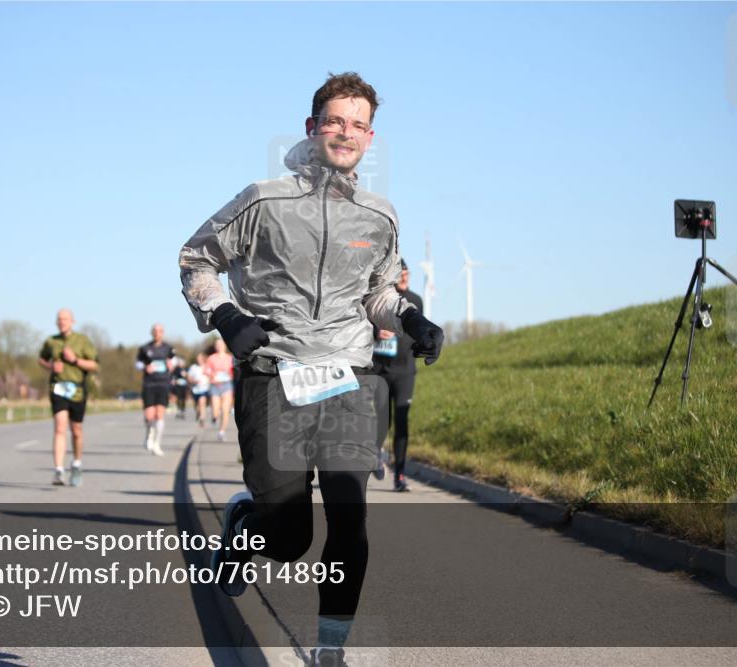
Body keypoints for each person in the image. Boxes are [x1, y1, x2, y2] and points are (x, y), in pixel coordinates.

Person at [179, 72, 443, 667]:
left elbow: (377, 293)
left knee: (350, 518)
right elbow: (197, 258)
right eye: (335, 121)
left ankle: (331, 648)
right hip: (275, 374)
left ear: (370, 138)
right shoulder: (263, 200)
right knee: (289, 537)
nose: (346, 133)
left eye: (359, 125)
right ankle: (248, 522)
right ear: (312, 127)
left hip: (350, 377)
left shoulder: (379, 216)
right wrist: (224, 314)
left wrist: (411, 318)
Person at [372, 259, 424, 491]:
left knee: (402, 422)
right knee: (383, 420)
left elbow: (418, 331)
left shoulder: (416, 301)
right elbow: (365, 325)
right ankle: (375, 455)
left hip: (405, 371)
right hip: (380, 371)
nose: (405, 277)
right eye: (401, 274)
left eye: (407, 273)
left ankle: (400, 476)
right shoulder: (381, 300)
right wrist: (376, 332)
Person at [37, 308, 99, 487]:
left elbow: (94, 365)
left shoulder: (82, 341)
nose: (62, 322)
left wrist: (75, 360)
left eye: (65, 319)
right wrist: (50, 366)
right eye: (59, 319)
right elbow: (41, 359)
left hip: (77, 390)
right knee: (60, 427)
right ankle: (58, 470)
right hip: (58, 388)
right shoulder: (51, 341)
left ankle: (77, 463)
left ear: (72, 321)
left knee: (76, 430)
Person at [135, 323, 176, 456]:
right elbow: (137, 363)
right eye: (155, 331)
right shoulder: (145, 348)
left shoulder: (168, 348)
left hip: (163, 383)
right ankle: (149, 433)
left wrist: (171, 364)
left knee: (159, 415)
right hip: (149, 383)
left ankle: (157, 443)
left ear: (163, 333)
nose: (157, 333)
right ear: (152, 333)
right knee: (149, 416)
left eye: (160, 331)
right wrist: (144, 367)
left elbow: (175, 361)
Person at [204, 338, 235, 441]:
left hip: (227, 385)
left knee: (225, 410)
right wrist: (211, 374)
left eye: (221, 344)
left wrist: (231, 373)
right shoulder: (211, 358)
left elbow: (234, 370)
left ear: (225, 345)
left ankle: (222, 432)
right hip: (215, 386)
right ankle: (214, 417)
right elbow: (206, 370)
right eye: (217, 345)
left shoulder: (230, 358)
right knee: (216, 410)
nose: (219, 346)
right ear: (215, 347)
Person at [187, 352, 211, 427]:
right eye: (198, 359)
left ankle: (202, 419)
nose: (199, 360)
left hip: (204, 388)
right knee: (197, 405)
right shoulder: (193, 367)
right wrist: (193, 381)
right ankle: (198, 412)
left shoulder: (207, 366)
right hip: (195, 389)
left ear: (203, 359)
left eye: (200, 358)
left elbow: (211, 375)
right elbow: (189, 377)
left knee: (202, 402)